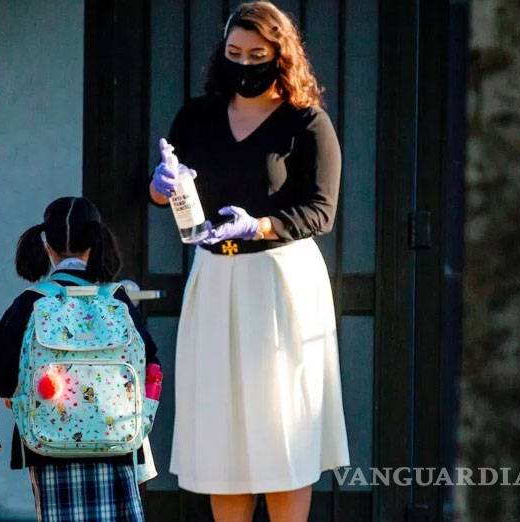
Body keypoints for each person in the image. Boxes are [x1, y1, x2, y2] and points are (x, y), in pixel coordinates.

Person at [149, 2, 350, 520]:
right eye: (234, 53)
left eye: (257, 55)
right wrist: (160, 187)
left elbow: (321, 211)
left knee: (281, 425)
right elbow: (168, 191)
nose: (244, 64)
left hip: (279, 280)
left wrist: (258, 225)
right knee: (224, 430)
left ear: (281, 56)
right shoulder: (197, 117)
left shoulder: (307, 123)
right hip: (215, 278)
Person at [0, 196, 160, 522]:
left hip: (49, 444)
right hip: (115, 440)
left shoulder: (33, 301)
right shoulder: (116, 298)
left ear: (46, 246)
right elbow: (150, 359)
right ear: (95, 242)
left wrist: (16, 389)